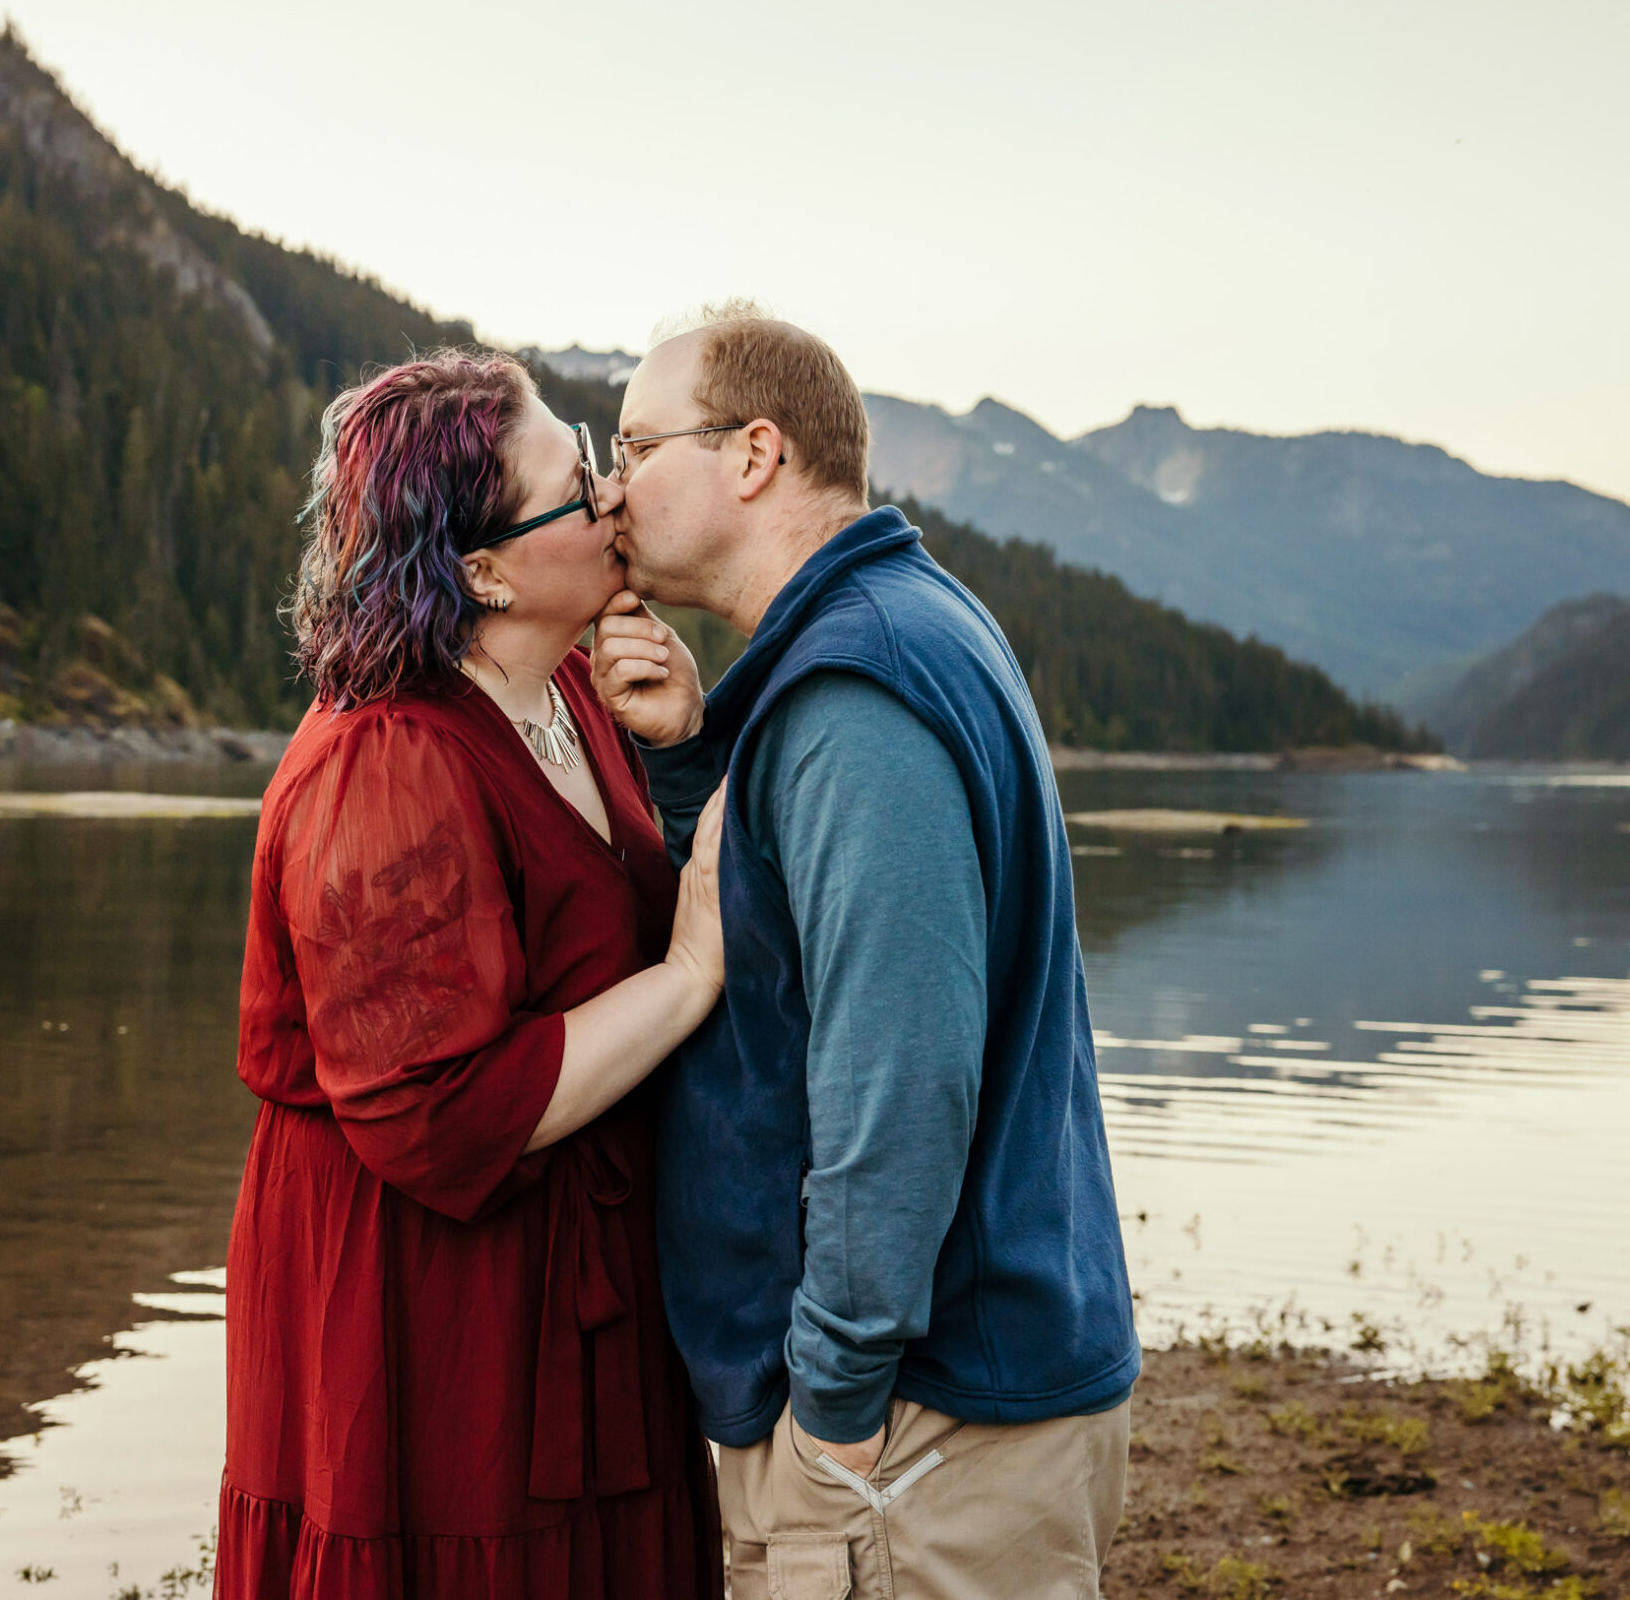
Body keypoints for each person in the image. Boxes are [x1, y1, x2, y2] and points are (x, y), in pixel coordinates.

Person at [588, 305, 1143, 1599]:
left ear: (753, 453)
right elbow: (786, 945)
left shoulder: (855, 694)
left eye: (634, 445)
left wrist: (831, 1412)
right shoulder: (889, 632)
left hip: (917, 1429)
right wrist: (691, 760)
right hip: (938, 1414)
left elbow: (901, 1084)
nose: (610, 490)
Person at [217, 350, 727, 1598]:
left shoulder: (572, 691)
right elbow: (432, 1108)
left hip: (576, 1272)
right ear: (481, 569)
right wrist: (690, 973)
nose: (613, 501)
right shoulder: (383, 760)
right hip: (425, 1303)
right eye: (578, 483)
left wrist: (683, 753)